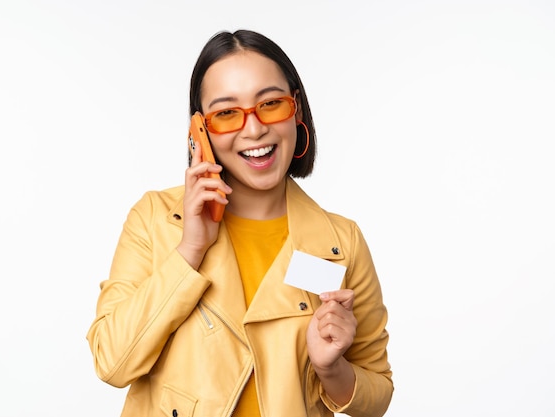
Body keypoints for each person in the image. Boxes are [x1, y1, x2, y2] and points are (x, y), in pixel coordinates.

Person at [87, 29, 393, 417]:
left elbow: (378, 392)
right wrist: (190, 250)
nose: (254, 129)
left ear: (295, 110)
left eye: (271, 103)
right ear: (201, 131)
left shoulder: (340, 242)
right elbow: (111, 361)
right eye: (227, 112)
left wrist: (332, 368)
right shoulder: (154, 220)